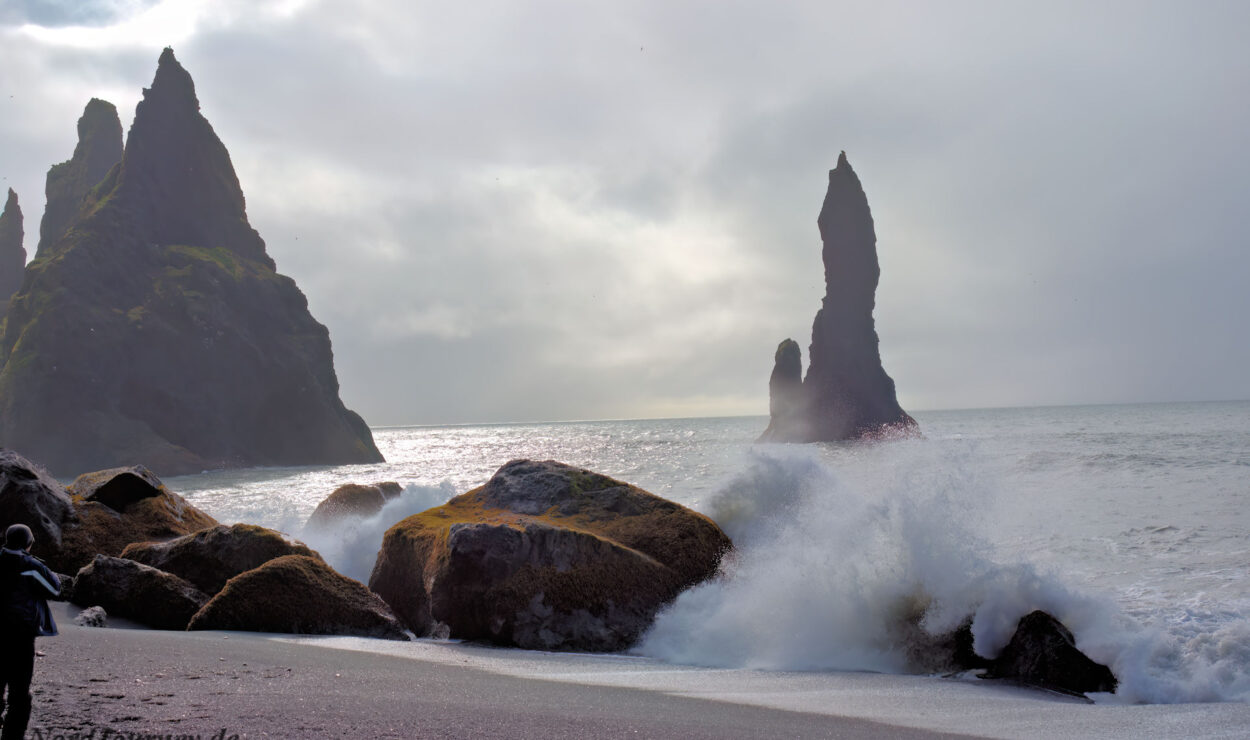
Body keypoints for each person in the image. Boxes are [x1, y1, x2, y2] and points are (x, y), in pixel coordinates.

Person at [0, 523, 60, 740]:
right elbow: (54, 589)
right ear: (29, 544)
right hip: (20, 634)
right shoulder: (30, 565)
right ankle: (12, 736)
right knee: (19, 693)